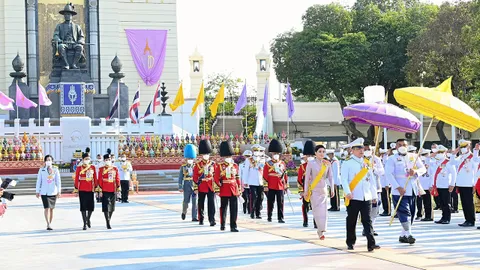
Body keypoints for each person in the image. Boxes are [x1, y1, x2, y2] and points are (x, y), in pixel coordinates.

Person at [341, 138, 380, 252]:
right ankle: (350, 241)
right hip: (353, 196)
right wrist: (347, 192)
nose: (361, 150)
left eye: (362, 148)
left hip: (366, 196)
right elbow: (344, 179)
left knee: (367, 220)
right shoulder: (347, 163)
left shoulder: (367, 162)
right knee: (352, 220)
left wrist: (374, 195)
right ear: (352, 150)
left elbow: (371, 180)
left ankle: (371, 243)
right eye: (358, 148)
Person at [386, 139, 426, 244]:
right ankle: (409, 234)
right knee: (404, 212)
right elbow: (389, 174)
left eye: (404, 144)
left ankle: (403, 235)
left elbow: (423, 169)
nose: (402, 146)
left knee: (412, 213)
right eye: (400, 145)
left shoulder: (414, 156)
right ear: (396, 146)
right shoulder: (392, 159)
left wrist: (416, 171)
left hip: (412, 189)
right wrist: (397, 187)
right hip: (399, 190)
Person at [304, 144, 334, 240]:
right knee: (317, 211)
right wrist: (305, 191)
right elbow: (307, 178)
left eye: (323, 152)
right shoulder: (311, 163)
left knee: (324, 210)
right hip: (314, 190)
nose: (322, 153)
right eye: (319, 152)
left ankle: (322, 229)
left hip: (323, 189)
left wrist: (332, 188)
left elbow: (330, 177)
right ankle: (320, 229)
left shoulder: (327, 164)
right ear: (315, 153)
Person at [449, 140, 478, 227]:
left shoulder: (473, 157)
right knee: (464, 203)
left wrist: (474, 184)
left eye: (464, 147)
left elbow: (476, 169)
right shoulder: (461, 157)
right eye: (461, 147)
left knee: (469, 203)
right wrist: (454, 154)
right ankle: (467, 219)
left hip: (469, 183)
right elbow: (452, 163)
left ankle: (471, 220)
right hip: (461, 183)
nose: (462, 149)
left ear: (469, 147)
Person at [215, 141, 242, 232]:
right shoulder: (219, 166)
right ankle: (222, 224)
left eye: (229, 156)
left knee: (234, 209)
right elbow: (216, 179)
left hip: (233, 189)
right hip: (224, 188)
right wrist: (218, 189)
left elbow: (237, 177)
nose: (228, 158)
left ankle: (233, 226)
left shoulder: (235, 165)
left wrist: (239, 188)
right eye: (226, 156)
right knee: (223, 208)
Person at [429, 145, 457, 225]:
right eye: (438, 152)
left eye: (441, 152)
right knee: (441, 203)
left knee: (446, 203)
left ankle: (447, 218)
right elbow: (433, 174)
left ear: (445, 152)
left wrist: (452, 184)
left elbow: (454, 173)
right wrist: (432, 184)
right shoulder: (435, 162)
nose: (439, 154)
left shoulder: (448, 162)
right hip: (438, 186)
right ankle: (443, 217)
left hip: (445, 185)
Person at [264, 139, 288, 223]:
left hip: (280, 185)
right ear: (271, 153)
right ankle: (269, 216)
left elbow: (285, 175)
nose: (275, 155)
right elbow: (265, 175)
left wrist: (286, 185)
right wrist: (266, 185)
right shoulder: (268, 163)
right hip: (271, 185)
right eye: (274, 153)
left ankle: (280, 217)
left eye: (277, 153)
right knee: (270, 202)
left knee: (280, 202)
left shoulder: (282, 163)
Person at [193, 139, 217, 226]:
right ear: (202, 154)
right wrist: (195, 187)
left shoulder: (213, 164)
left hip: (210, 185)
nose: (206, 155)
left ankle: (212, 219)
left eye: (207, 154)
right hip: (201, 185)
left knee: (211, 203)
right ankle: (201, 218)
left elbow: (216, 175)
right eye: (204, 154)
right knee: (201, 203)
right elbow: (195, 177)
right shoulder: (198, 165)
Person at [363, 144, 384, 236]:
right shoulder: (359, 159)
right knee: (366, 209)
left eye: (369, 149)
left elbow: (382, 172)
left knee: (375, 208)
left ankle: (372, 227)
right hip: (364, 188)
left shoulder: (376, 159)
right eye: (365, 149)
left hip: (376, 187)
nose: (367, 151)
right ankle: (366, 228)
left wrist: (374, 168)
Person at [36, 155, 61, 230]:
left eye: (50, 160)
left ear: (52, 161)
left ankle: (50, 222)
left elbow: (58, 181)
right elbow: (39, 181)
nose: (48, 161)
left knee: (51, 209)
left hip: (53, 191)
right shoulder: (41, 170)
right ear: (45, 161)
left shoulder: (55, 169)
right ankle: (48, 224)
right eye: (47, 160)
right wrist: (37, 191)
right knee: (46, 208)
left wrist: (59, 191)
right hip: (44, 192)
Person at [74, 148, 97, 230]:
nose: (87, 160)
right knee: (83, 207)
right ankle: (84, 223)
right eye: (86, 159)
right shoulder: (79, 168)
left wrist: (97, 188)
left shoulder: (93, 167)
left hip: (90, 189)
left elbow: (95, 178)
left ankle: (88, 219)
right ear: (83, 159)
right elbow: (77, 178)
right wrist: (76, 188)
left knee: (91, 207)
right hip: (82, 189)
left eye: (89, 159)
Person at [97, 153, 120, 229]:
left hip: (112, 189)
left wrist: (118, 187)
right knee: (106, 206)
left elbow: (117, 178)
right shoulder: (101, 169)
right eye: (106, 160)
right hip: (104, 189)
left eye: (109, 159)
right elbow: (100, 179)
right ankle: (107, 221)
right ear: (104, 160)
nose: (108, 161)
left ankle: (109, 218)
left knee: (112, 207)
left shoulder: (115, 169)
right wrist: (100, 190)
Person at [298, 141, 316, 227]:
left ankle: (316, 222)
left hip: (315, 189)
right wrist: (301, 190)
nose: (310, 157)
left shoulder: (318, 165)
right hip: (306, 189)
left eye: (312, 156)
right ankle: (305, 220)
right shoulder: (302, 167)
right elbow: (299, 180)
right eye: (308, 156)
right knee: (305, 206)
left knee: (315, 207)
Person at [245, 144, 266, 219]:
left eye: (258, 150)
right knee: (254, 197)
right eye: (255, 150)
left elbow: (264, 170)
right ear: (253, 151)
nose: (256, 152)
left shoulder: (262, 159)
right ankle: (252, 211)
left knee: (260, 197)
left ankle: (258, 212)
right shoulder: (249, 160)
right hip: (252, 181)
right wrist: (245, 181)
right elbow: (246, 171)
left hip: (260, 181)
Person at [178, 144, 198, 222]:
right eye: (189, 158)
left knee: (194, 201)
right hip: (186, 185)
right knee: (186, 201)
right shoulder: (183, 167)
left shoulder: (196, 166)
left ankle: (194, 216)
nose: (190, 159)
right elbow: (180, 177)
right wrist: (180, 186)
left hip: (194, 185)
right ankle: (184, 212)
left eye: (191, 158)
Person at [417, 149, 433, 221]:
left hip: (428, 184)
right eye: (422, 155)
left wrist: (431, 184)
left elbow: (432, 174)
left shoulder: (431, 162)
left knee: (428, 202)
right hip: (421, 184)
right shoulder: (419, 162)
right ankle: (424, 215)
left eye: (425, 155)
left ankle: (429, 216)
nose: (423, 157)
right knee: (422, 201)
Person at [379, 148, 391, 216]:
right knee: (383, 197)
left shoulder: (386, 160)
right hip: (382, 182)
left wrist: (387, 183)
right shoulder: (381, 159)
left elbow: (387, 173)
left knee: (386, 197)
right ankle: (385, 210)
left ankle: (388, 210)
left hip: (386, 182)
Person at [239, 150, 252, 214]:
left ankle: (250, 210)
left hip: (252, 183)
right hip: (244, 184)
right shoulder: (241, 165)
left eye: (249, 156)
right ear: (244, 157)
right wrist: (240, 185)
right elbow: (240, 175)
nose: (248, 158)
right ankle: (244, 209)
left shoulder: (253, 165)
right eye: (246, 156)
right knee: (245, 198)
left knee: (251, 198)